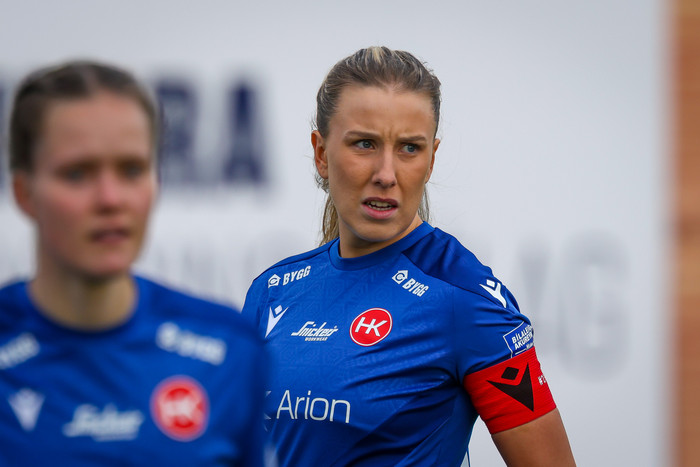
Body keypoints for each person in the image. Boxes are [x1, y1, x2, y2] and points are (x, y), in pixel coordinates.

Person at [242, 46, 576, 466]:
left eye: (409, 148)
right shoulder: (271, 292)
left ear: (432, 159)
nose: (386, 174)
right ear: (322, 154)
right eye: (365, 144)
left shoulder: (465, 298)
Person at [0, 61, 265, 466]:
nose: (110, 199)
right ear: (24, 192)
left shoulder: (229, 348)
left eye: (131, 170)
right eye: (77, 173)